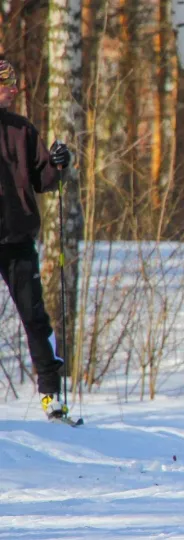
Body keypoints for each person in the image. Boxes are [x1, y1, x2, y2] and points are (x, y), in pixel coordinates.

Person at [0, 60, 72, 420]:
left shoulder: (21, 130)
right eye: (6, 84)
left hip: (16, 240)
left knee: (34, 317)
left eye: (13, 83)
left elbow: (44, 180)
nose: (13, 89)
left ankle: (50, 395)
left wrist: (59, 163)